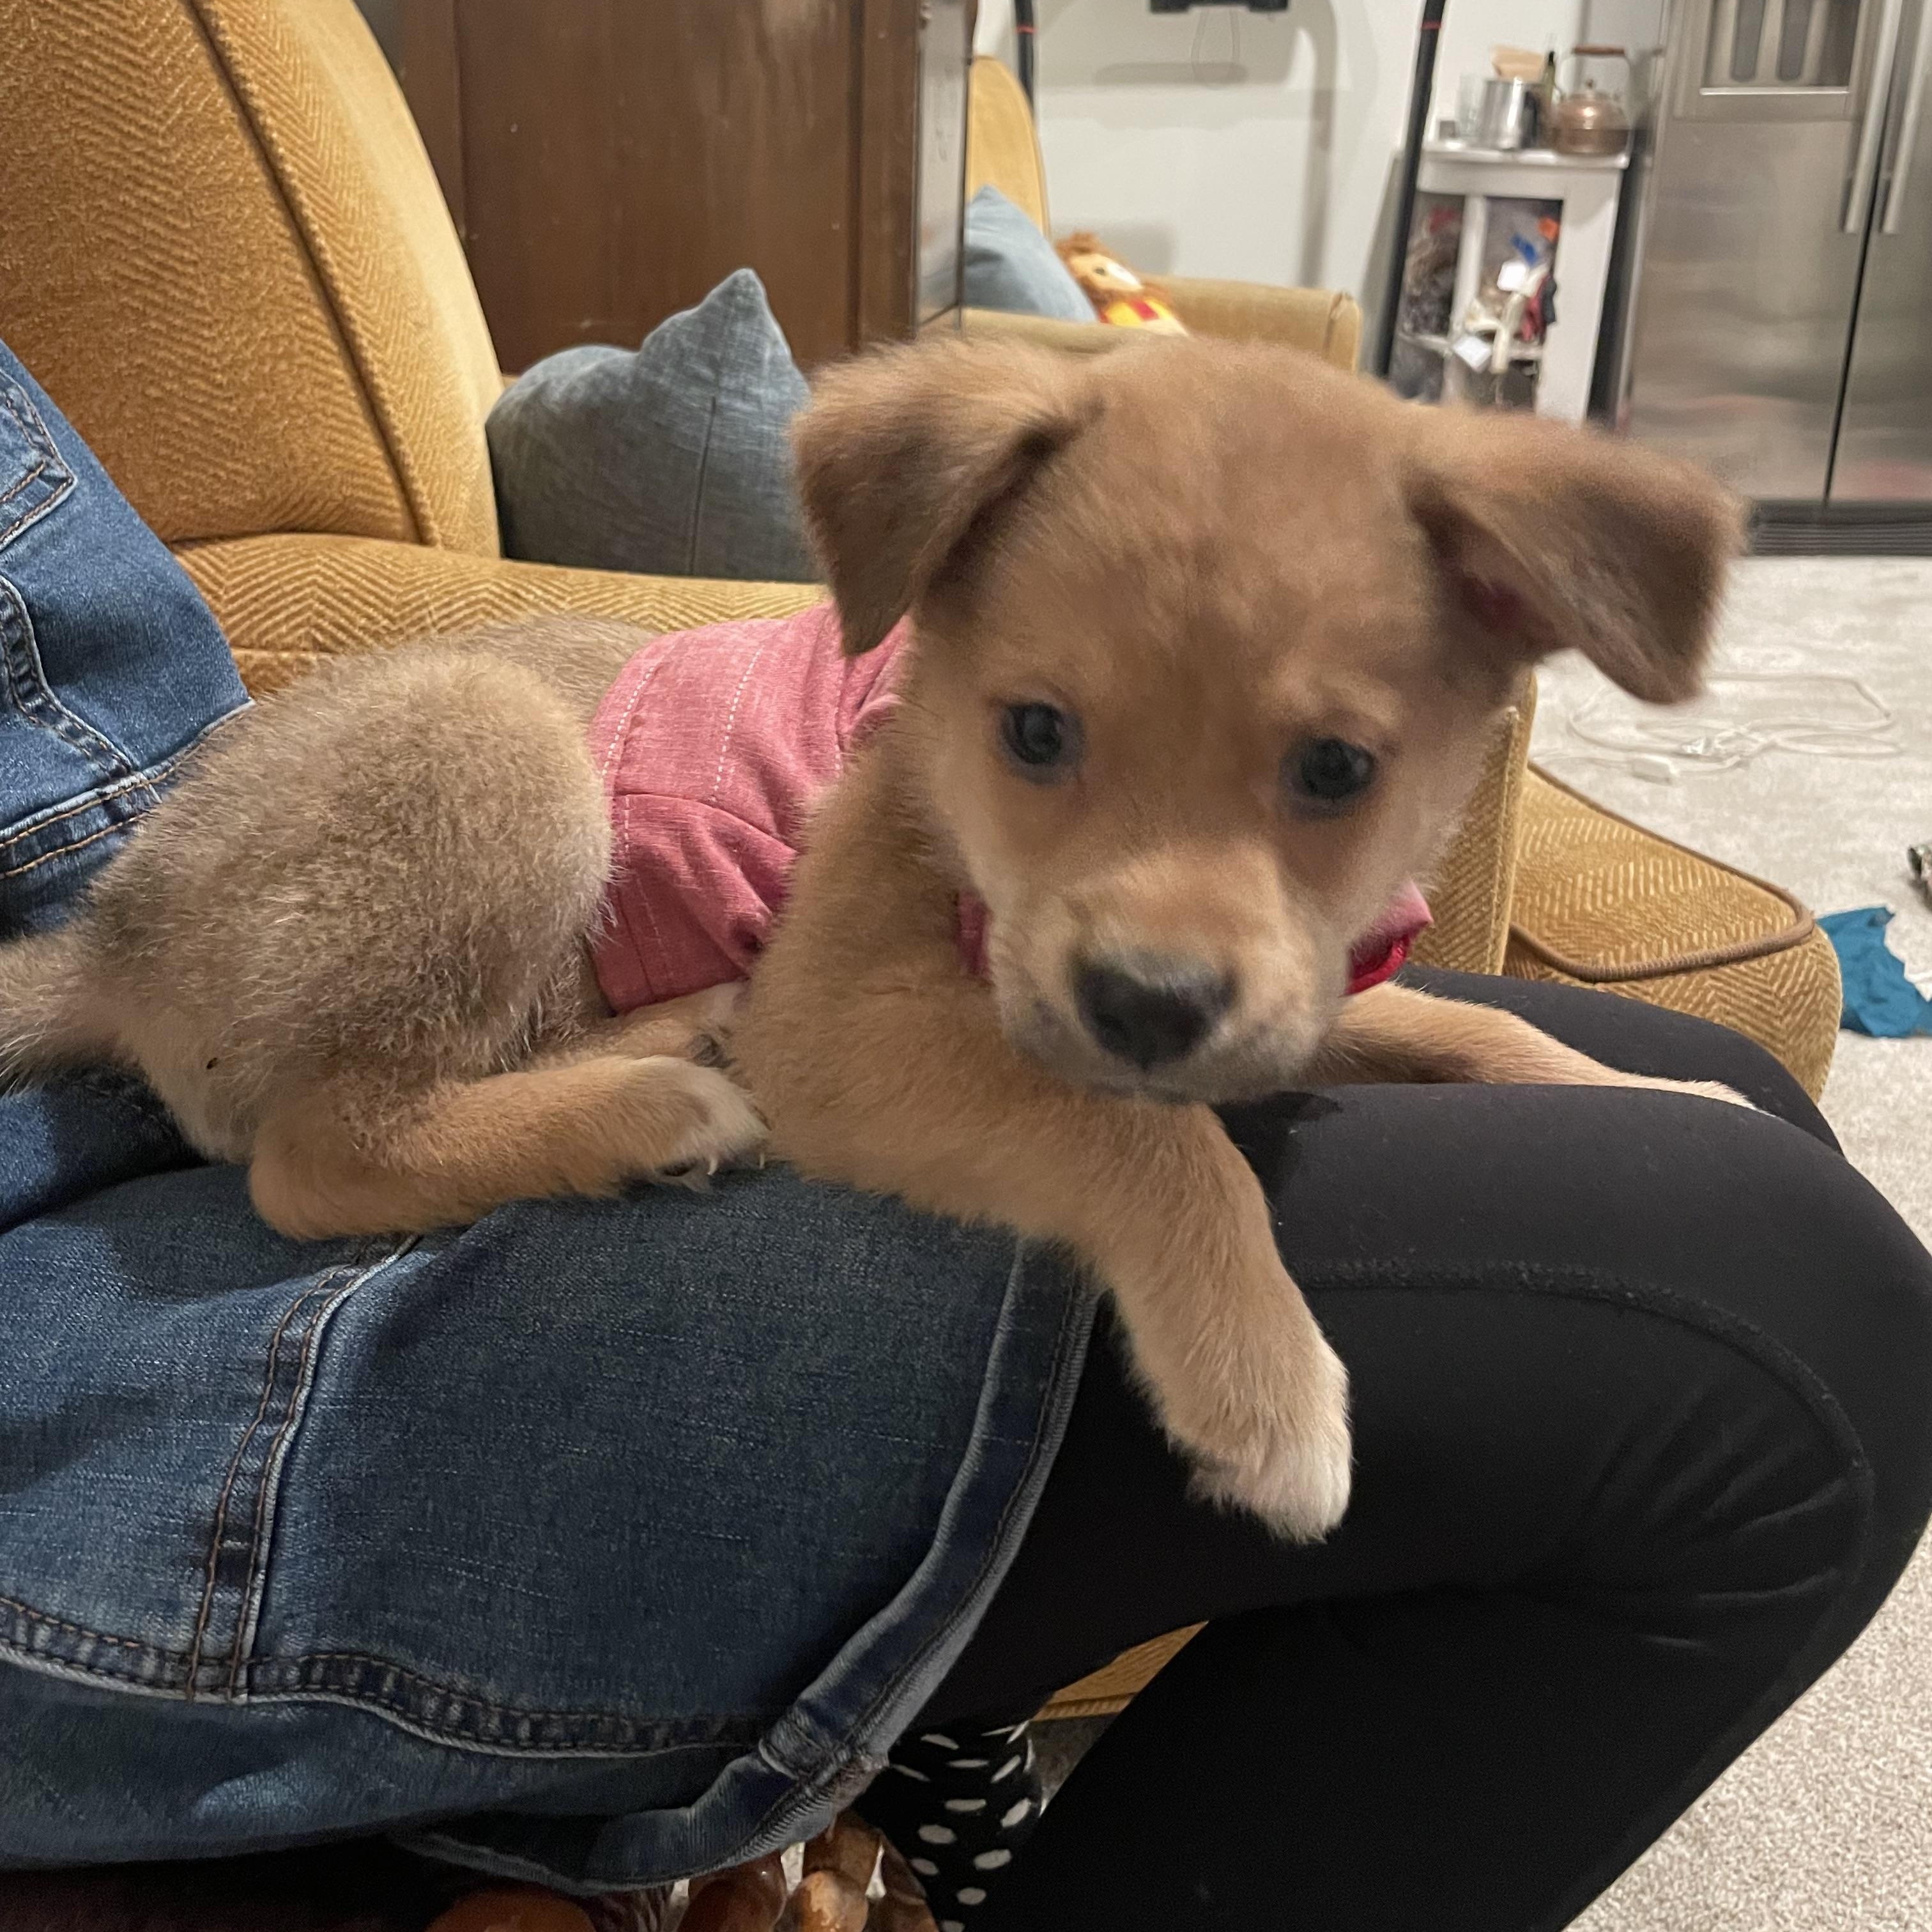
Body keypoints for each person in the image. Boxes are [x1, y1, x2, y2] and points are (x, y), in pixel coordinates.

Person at [3, 333, 1929, 1932]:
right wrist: (1180, 1214)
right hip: (226, 1149)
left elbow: (1258, 992)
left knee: (1731, 1117)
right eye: (1039, 741)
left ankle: (948, 1731)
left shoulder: (1369, 623)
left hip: (415, 977)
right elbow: (845, 1065)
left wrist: (1503, 1065)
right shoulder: (897, 715)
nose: (1160, 919)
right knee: (1774, 1317)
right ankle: (366, 1142)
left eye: (1326, 772)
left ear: (1505, 641)